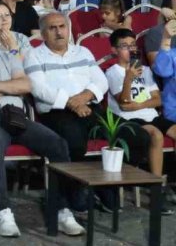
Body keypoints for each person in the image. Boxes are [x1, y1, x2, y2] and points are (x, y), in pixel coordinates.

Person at [0, 14, 85, 237]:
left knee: (57, 144)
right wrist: (7, 87)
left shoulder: (9, 56)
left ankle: (61, 209)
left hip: (16, 118)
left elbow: (25, 85)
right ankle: (2, 211)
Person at [25, 12, 149, 209]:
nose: (59, 32)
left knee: (138, 137)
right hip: (57, 112)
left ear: (69, 29)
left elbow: (100, 80)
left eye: (62, 27)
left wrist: (84, 97)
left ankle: (105, 185)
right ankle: (76, 192)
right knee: (74, 143)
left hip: (90, 107)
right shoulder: (33, 54)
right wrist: (71, 102)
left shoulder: (82, 52)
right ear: (42, 33)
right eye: (52, 28)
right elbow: (38, 88)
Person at [105, 29, 176, 187]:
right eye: (124, 46)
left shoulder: (146, 70)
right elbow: (124, 104)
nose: (130, 49)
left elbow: (158, 100)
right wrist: (128, 79)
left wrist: (139, 105)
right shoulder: (113, 73)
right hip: (129, 119)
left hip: (151, 115)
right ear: (114, 50)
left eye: (133, 45)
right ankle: (157, 185)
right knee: (156, 135)